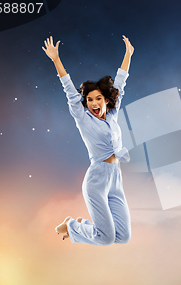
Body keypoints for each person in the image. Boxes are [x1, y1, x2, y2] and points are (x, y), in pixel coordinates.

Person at [42, 35, 134, 245]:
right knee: (106, 239)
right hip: (97, 179)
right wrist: (56, 59)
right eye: (89, 99)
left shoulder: (112, 116)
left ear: (106, 100)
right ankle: (72, 226)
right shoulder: (83, 119)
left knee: (123, 237)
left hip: (116, 179)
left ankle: (81, 228)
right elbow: (69, 92)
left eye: (98, 98)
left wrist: (128, 55)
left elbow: (120, 83)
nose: (93, 103)